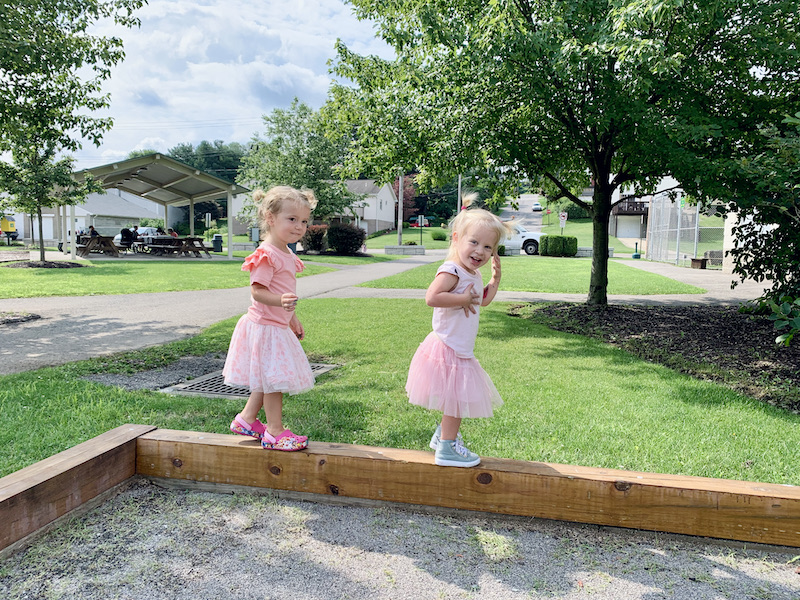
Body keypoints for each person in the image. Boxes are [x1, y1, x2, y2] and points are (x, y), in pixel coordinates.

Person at [405, 194, 511, 467]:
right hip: (449, 345)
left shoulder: (472, 274)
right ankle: (447, 449)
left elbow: (482, 301)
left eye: (488, 247)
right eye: (473, 242)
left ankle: (442, 435)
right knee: (456, 400)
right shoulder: (452, 270)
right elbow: (432, 297)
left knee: (456, 399)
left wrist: (494, 280)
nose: (479, 251)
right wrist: (461, 299)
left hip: (459, 345)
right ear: (456, 239)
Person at [223, 186, 317, 451]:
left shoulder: (287, 253)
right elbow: (257, 291)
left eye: (304, 221)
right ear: (270, 218)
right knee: (273, 381)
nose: (299, 226)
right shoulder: (267, 254)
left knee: (267, 379)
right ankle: (275, 431)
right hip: (264, 328)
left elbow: (285, 293)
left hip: (276, 325)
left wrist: (292, 318)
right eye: (292, 219)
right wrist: (280, 302)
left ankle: (247, 419)